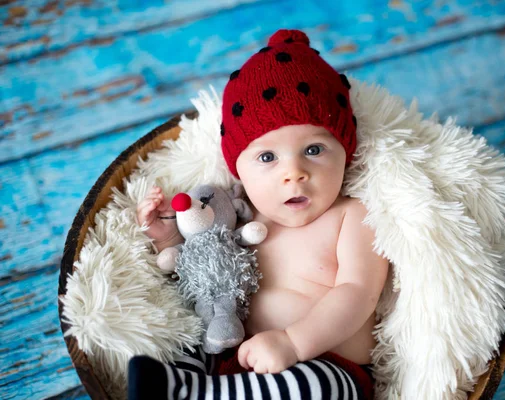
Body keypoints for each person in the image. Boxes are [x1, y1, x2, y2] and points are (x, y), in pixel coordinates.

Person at [129, 29, 389, 400]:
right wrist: (167, 238)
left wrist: (293, 344)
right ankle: (176, 387)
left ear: (346, 153)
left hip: (325, 362)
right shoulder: (242, 215)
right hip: (232, 352)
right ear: (239, 170)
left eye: (314, 149)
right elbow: (202, 263)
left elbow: (357, 292)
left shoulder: (351, 216)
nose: (294, 172)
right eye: (267, 157)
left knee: (316, 389)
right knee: (184, 342)